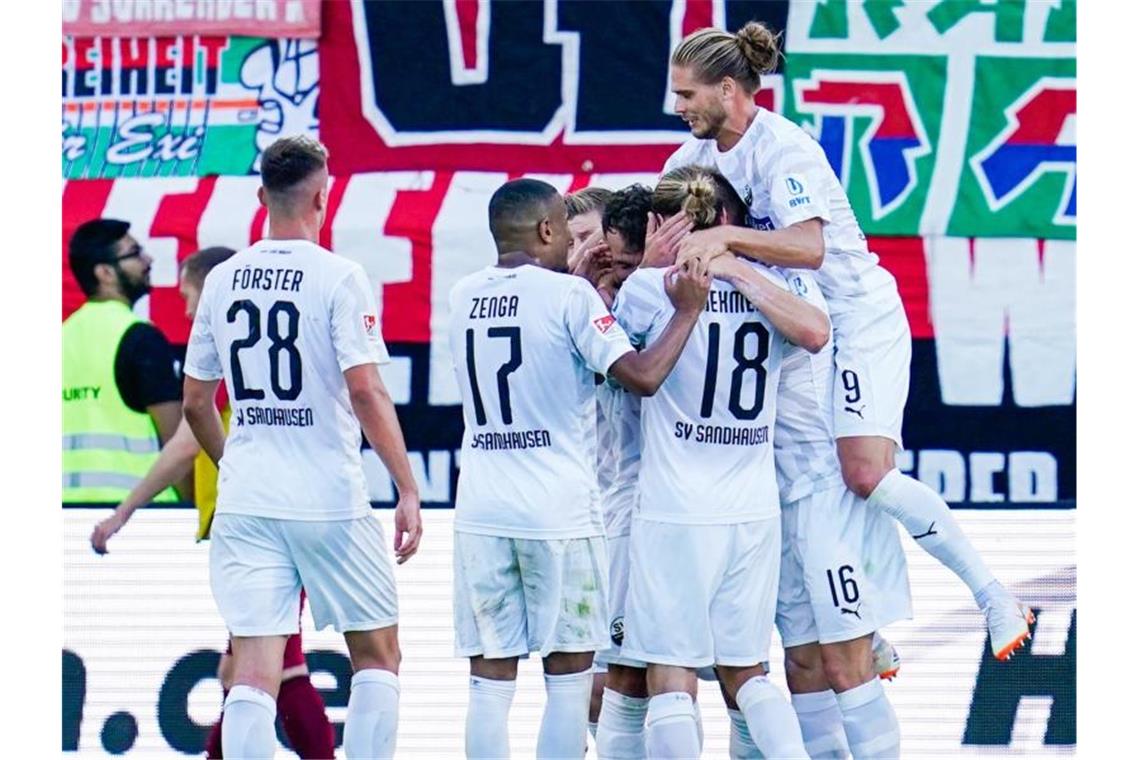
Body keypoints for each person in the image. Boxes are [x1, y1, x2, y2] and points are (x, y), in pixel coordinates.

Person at [663, 22, 1032, 660]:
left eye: (687, 94)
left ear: (728, 89)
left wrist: (725, 241)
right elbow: (661, 223)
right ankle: (862, 621)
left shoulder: (785, 149)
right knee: (799, 477)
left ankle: (993, 595)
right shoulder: (689, 162)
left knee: (864, 471)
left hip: (855, 317)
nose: (677, 108)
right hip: (787, 324)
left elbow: (810, 246)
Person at [448, 178, 710, 759]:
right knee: (568, 685)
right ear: (546, 229)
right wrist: (686, 312)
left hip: (481, 511)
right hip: (558, 511)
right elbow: (640, 376)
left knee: (488, 686)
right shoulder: (571, 299)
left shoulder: (462, 294)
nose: (574, 244)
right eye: (565, 231)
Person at [658, 166, 912, 759]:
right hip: (764, 498)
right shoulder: (671, 289)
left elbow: (816, 331)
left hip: (822, 485)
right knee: (799, 662)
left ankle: (985, 593)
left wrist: (734, 263)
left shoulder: (777, 275)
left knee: (845, 663)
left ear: (723, 225)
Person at [181, 134, 423, 759]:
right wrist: (406, 486)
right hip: (327, 497)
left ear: (261, 196)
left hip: (249, 498)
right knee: (377, 653)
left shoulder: (224, 278)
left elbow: (195, 403)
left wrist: (234, 463)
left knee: (253, 672)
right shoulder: (339, 276)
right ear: (323, 196)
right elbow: (366, 390)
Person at [611, 168, 833, 760]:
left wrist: (649, 271)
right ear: (732, 221)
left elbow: (621, 378)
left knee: (671, 675)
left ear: (662, 225)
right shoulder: (773, 282)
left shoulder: (649, 289)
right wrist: (738, 265)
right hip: (752, 508)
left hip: (674, 509)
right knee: (748, 673)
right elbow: (815, 331)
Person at [88, 246, 335, 759]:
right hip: (276, 520)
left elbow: (186, 441)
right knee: (240, 670)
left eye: (188, 296)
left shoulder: (227, 350)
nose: (183, 310)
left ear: (212, 291)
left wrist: (125, 509)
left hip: (262, 530)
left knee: (278, 670)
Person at [63, 218, 186, 503]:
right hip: (139, 519)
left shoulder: (62, 336)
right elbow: (177, 444)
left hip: (65, 518)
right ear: (105, 272)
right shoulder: (140, 337)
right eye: (135, 253)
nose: (148, 259)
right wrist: (190, 514)